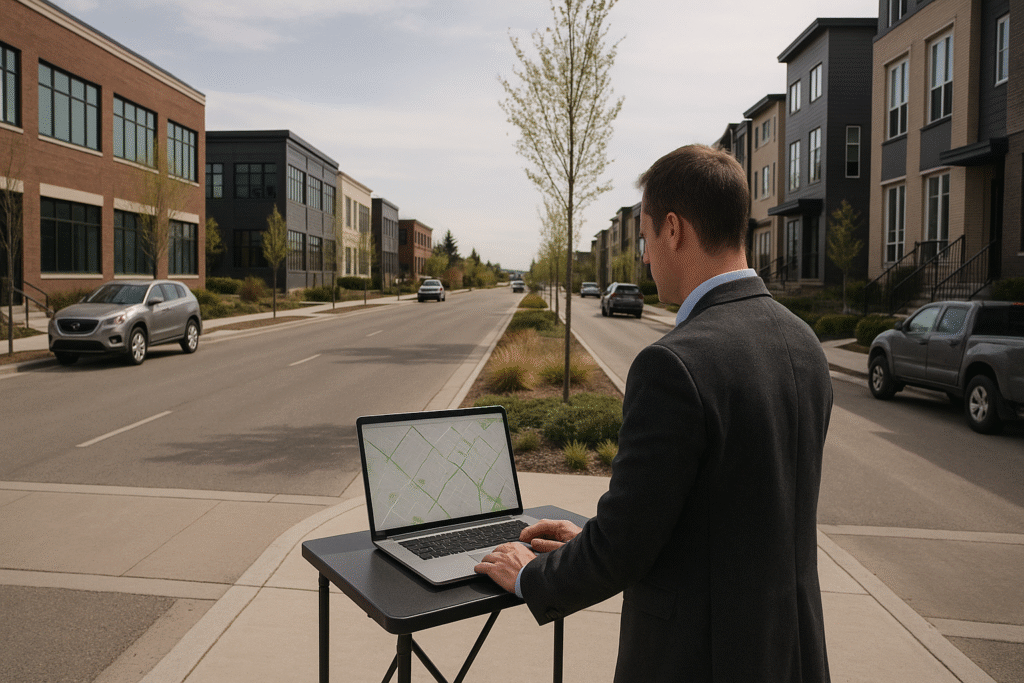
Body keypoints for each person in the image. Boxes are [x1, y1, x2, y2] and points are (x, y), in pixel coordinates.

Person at [475, 144, 833, 682]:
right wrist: (589, 537)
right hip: (790, 656)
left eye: (644, 238)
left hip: (696, 662)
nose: (644, 257)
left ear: (672, 229)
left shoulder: (673, 364)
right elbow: (727, 518)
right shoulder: (804, 343)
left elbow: (622, 551)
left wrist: (530, 576)